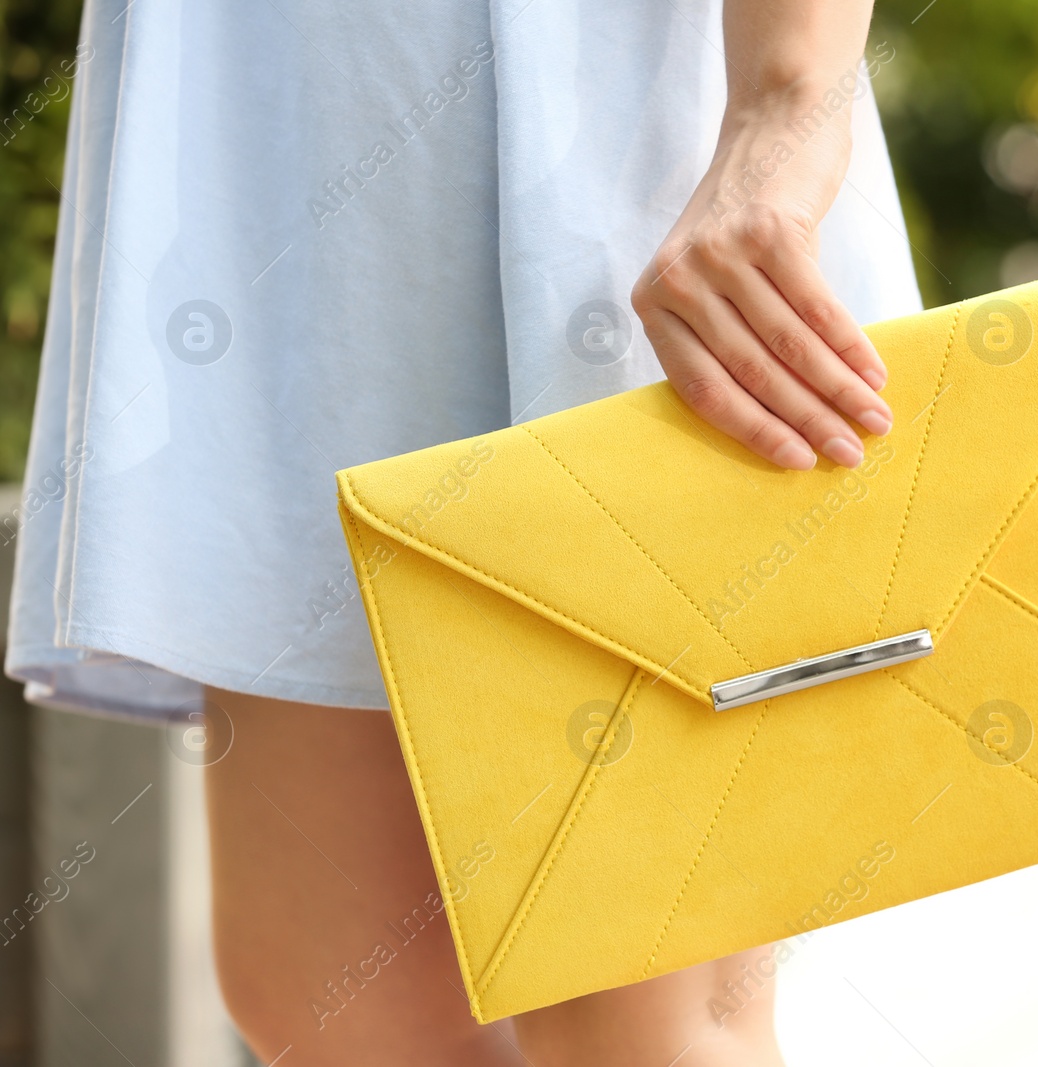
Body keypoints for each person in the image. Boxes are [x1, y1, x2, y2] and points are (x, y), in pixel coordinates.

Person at [7, 0, 921, 1064]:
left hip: (581, 135)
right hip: (263, 148)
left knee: (632, 1011)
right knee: (335, 1001)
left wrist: (785, 107)